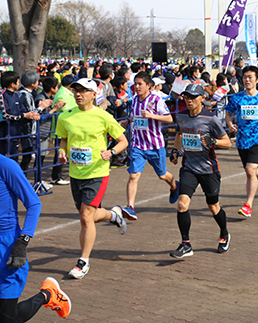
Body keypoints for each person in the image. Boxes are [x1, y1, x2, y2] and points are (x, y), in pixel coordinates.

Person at [55, 78, 129, 279]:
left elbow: (123, 141)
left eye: (83, 91)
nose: (78, 94)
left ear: (94, 94)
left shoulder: (103, 117)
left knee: (86, 217)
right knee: (86, 214)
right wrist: (62, 151)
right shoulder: (66, 117)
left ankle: (83, 262)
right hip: (75, 172)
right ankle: (114, 215)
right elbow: (63, 139)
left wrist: (111, 152)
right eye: (76, 90)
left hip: (97, 172)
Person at [0, 153, 71, 320]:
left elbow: (33, 204)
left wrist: (22, 242)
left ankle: (48, 294)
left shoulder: (6, 166)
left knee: (6, 318)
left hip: (6, 246)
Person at [168, 84, 232, 258]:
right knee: (182, 205)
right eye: (186, 97)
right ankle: (186, 244)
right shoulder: (181, 116)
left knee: (213, 206)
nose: (189, 100)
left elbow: (227, 142)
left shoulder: (211, 119)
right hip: (189, 168)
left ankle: (224, 233)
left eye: (193, 97)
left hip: (208, 169)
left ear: (202, 98)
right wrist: (175, 151)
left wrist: (212, 142)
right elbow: (179, 134)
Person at [119, 71, 177, 221]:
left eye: (140, 84)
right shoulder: (134, 100)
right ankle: (130, 207)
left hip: (155, 145)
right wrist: (128, 121)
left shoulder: (156, 100)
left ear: (148, 85)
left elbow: (170, 119)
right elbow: (136, 116)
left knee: (162, 174)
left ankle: (174, 186)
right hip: (138, 145)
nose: (136, 87)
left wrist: (152, 116)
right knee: (133, 175)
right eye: (135, 84)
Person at [225, 66, 258, 218]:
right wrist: (229, 124)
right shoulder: (237, 98)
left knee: (250, 171)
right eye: (245, 77)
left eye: (250, 77)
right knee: (253, 172)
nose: (247, 80)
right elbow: (228, 114)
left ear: (257, 79)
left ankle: (248, 205)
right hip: (242, 140)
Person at [0, 71, 40, 161]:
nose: (19, 84)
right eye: (17, 82)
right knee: (6, 159)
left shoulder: (16, 94)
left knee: (14, 159)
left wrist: (32, 115)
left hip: (16, 133)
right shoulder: (2, 95)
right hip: (5, 133)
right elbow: (6, 114)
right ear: (12, 84)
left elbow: (22, 109)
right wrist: (24, 115)